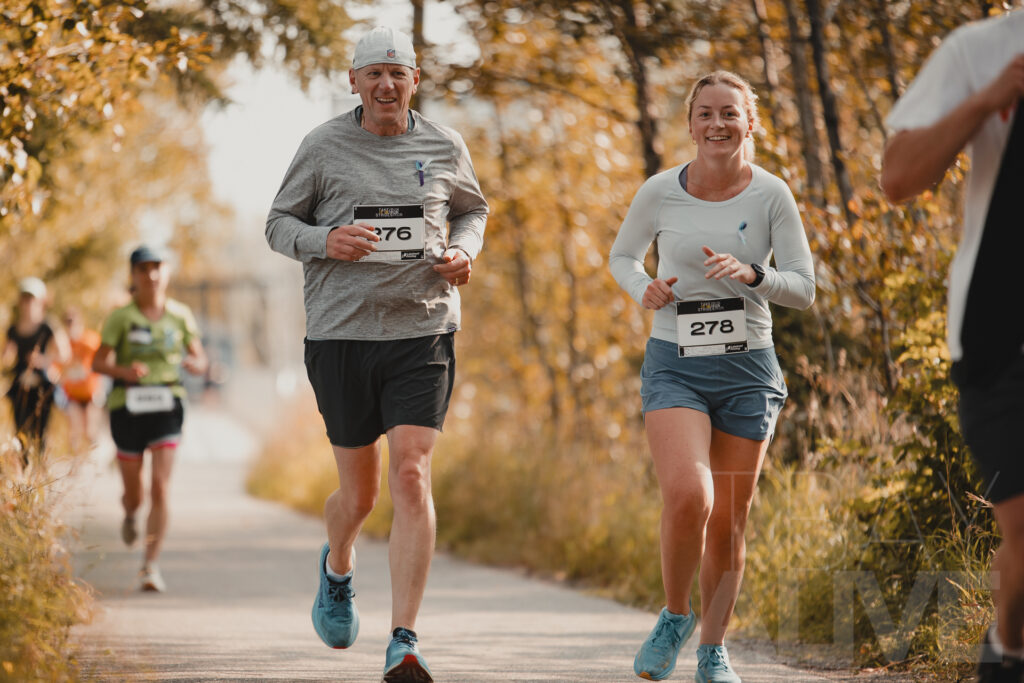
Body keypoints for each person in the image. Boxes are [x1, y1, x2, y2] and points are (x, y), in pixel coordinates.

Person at [265, 25, 487, 683]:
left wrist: (465, 251)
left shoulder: (444, 144)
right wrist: (324, 239)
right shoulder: (323, 146)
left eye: (399, 73)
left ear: (415, 79)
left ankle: (404, 639)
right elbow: (278, 223)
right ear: (355, 81)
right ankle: (338, 564)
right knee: (358, 496)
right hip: (341, 336)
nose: (387, 85)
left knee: (412, 471)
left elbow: (474, 210)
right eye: (374, 74)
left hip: (422, 331)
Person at [609, 70, 815, 682]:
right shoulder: (660, 192)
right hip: (675, 362)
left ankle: (713, 650)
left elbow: (803, 288)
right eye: (705, 114)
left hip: (748, 367)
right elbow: (621, 255)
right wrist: (642, 286)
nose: (717, 125)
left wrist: (754, 276)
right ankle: (675, 615)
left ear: (749, 122)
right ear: (690, 123)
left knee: (729, 517)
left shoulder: (772, 194)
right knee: (689, 495)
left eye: (729, 113)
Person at [879, 10, 1024, 683]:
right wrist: (988, 98)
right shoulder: (980, 50)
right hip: (1002, 328)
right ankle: (1006, 650)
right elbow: (899, 175)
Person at [92, 245, 208, 593]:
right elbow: (97, 363)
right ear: (134, 275)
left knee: (160, 485)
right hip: (127, 406)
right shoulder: (120, 317)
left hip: (167, 402)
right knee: (136, 494)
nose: (152, 275)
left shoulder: (180, 315)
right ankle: (129, 511)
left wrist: (195, 365)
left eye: (157, 267)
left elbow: (201, 359)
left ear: (167, 272)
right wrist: (124, 370)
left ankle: (150, 565)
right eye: (144, 269)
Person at [3, 277, 69, 463]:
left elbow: (64, 355)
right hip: (19, 388)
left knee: (40, 433)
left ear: (40, 301)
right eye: (24, 298)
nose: (27, 303)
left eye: (31, 298)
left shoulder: (48, 326)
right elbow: (6, 357)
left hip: (42, 388)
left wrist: (44, 360)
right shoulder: (13, 329)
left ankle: (39, 473)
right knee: (20, 432)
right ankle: (23, 478)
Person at [59, 306, 105, 452]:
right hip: (72, 393)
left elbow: (103, 359)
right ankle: (75, 463)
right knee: (74, 430)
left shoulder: (90, 340)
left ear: (80, 322)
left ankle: (94, 458)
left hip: (91, 392)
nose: (71, 325)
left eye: (73, 322)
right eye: (68, 322)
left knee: (90, 430)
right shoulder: (62, 343)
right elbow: (56, 365)